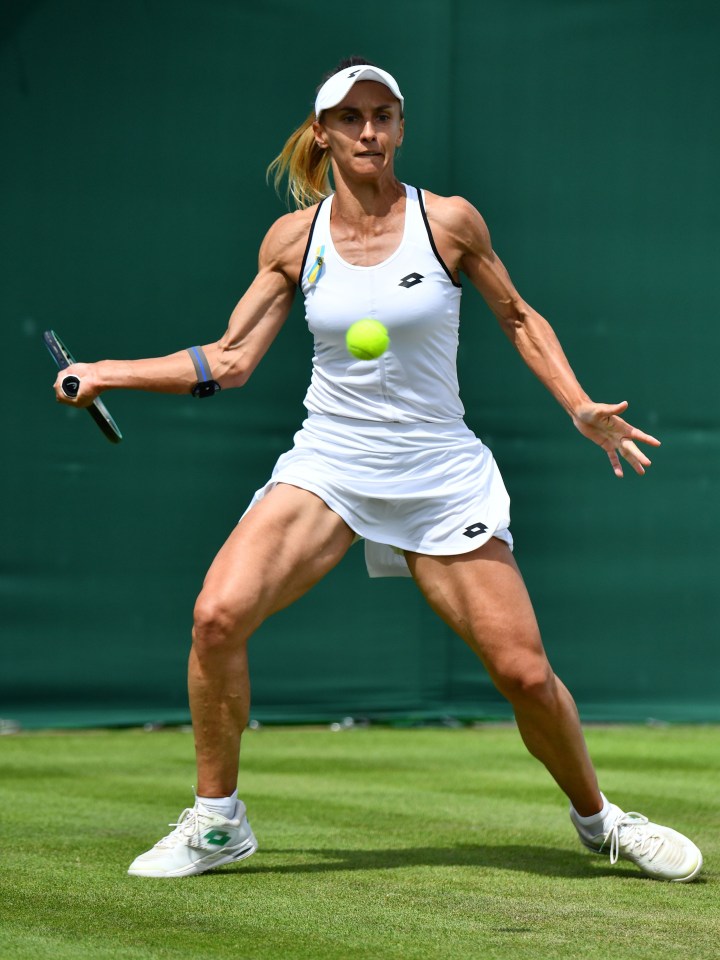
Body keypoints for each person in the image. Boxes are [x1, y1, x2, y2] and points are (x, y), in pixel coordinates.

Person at [54, 58, 702, 882]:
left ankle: (600, 820)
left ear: (400, 129)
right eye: (352, 117)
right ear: (321, 132)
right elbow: (231, 357)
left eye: (384, 116)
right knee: (217, 617)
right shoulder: (294, 239)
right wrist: (109, 371)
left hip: (439, 472)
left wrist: (578, 406)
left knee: (523, 673)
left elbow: (519, 316)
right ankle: (218, 823)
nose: (369, 131)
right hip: (332, 462)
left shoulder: (449, 222)